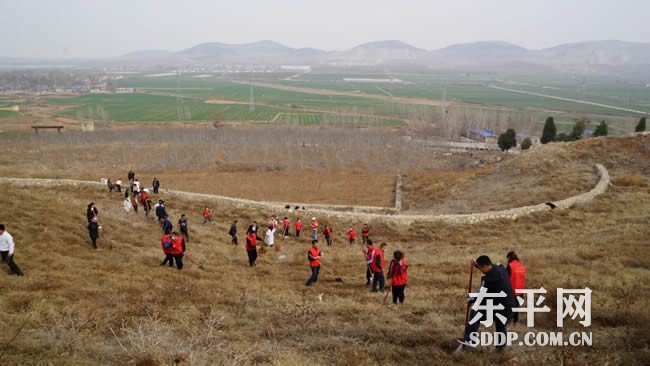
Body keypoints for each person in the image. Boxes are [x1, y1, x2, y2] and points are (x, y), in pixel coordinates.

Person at [458, 255, 516, 351]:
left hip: (501, 306)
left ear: (485, 266)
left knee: (475, 312)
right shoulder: (500, 267)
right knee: (501, 324)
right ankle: (500, 349)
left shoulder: (491, 279)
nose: (480, 270)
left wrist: (471, 299)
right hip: (509, 305)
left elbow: (482, 295)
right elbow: (493, 266)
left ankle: (470, 340)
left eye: (480, 268)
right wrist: (476, 264)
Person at [506, 251, 526, 326]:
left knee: (509, 306)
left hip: (511, 290)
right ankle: (515, 322)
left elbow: (505, 276)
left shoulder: (510, 266)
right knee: (516, 306)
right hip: (520, 290)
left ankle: (508, 321)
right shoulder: (522, 266)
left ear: (509, 258)